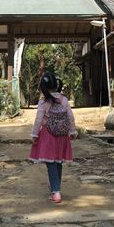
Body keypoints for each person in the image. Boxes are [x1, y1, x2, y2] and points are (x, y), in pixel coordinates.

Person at [29, 71, 77, 203]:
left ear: (43, 87)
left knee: (51, 163)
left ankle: (56, 192)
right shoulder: (64, 99)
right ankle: (55, 186)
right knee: (58, 162)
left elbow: (38, 119)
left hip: (48, 135)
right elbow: (70, 116)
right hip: (62, 136)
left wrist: (34, 134)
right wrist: (72, 131)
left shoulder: (44, 101)